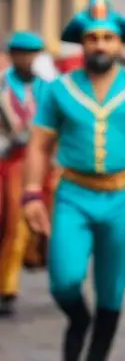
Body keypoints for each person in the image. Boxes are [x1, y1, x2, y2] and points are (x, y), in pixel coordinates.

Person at [22, 0, 125, 361]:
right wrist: (32, 193)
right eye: (93, 38)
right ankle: (77, 317)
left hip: (123, 196)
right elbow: (39, 144)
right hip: (73, 194)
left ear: (119, 43)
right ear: (83, 43)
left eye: (108, 38)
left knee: (112, 288)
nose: (100, 44)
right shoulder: (59, 89)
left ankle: (94, 355)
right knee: (65, 280)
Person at [0, 31, 46, 316]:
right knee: (12, 222)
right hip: (9, 161)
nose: (25, 59)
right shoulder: (2, 87)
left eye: (30, 54)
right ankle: (7, 287)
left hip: (41, 163)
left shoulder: (48, 89)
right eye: (19, 53)